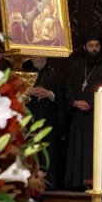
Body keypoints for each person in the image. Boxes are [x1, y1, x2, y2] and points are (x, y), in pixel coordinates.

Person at [63, 34, 102, 191]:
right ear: (84, 48)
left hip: (97, 116)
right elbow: (69, 88)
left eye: (97, 45)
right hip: (78, 117)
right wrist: (74, 102)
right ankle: (76, 183)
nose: (94, 49)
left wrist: (92, 104)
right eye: (90, 45)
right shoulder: (77, 66)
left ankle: (95, 185)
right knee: (78, 149)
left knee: (94, 150)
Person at [23, 55, 64, 189]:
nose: (39, 57)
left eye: (42, 54)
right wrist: (28, 92)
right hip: (28, 121)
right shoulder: (24, 72)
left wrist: (49, 94)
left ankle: (49, 186)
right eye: (36, 54)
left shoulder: (55, 73)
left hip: (49, 121)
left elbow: (64, 95)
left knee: (49, 153)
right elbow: (16, 94)